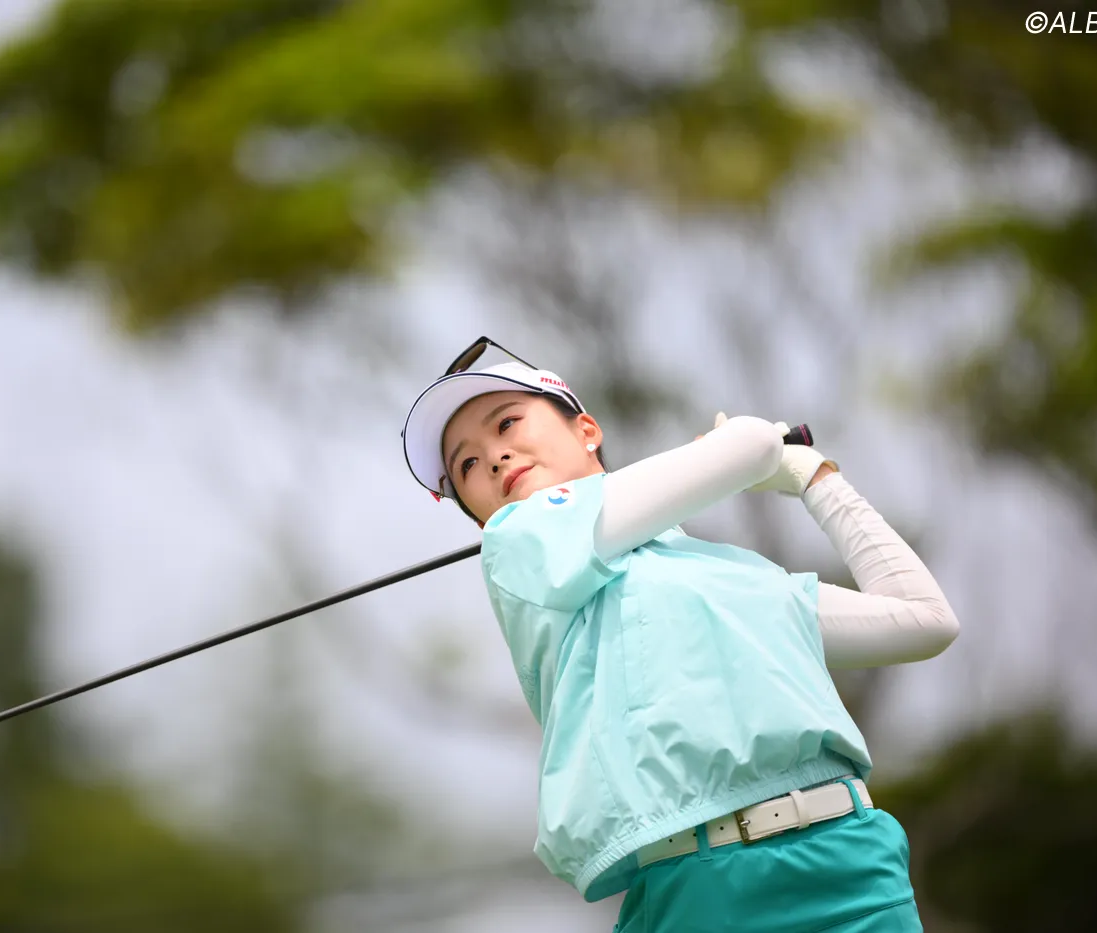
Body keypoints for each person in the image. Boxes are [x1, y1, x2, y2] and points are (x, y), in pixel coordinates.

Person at [401, 337, 960, 932]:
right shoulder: (520, 544)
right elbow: (751, 443)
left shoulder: (732, 573)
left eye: (507, 423)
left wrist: (812, 476)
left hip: (850, 861)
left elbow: (923, 619)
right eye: (466, 465)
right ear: (481, 516)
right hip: (700, 888)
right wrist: (743, 453)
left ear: (587, 430)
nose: (492, 457)